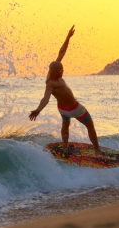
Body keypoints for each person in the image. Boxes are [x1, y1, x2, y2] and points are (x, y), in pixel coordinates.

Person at [29, 25, 103, 155]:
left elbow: (61, 52)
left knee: (65, 125)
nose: (63, 72)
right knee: (90, 125)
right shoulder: (51, 83)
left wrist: (68, 37)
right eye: (61, 71)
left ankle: (65, 147)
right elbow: (45, 98)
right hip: (74, 108)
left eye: (62, 70)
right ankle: (97, 150)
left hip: (63, 109)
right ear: (55, 71)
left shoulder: (52, 71)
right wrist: (38, 110)